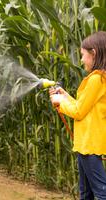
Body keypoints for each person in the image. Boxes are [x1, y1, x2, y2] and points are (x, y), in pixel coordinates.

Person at [50, 31, 106, 200]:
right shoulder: (98, 79)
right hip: (84, 145)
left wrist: (59, 101)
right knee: (85, 193)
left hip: (89, 145)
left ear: (94, 53)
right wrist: (65, 96)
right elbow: (83, 107)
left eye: (83, 55)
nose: (81, 60)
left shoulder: (97, 79)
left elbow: (78, 112)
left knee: (102, 193)